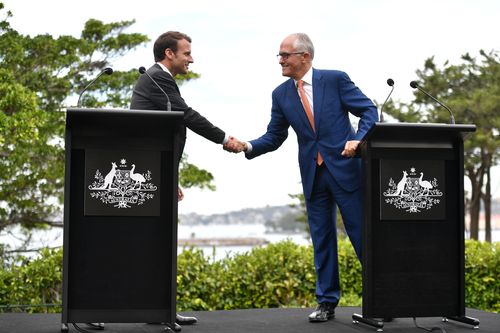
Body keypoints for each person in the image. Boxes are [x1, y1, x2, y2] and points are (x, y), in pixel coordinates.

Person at [224, 33, 378, 322]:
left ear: (304, 56)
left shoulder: (335, 80)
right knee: (321, 240)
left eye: (285, 55)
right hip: (313, 175)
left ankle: (383, 300)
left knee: (363, 237)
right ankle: (326, 303)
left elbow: (370, 110)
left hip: (347, 171)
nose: (280, 60)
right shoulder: (280, 94)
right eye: (279, 56)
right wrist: (248, 146)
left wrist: (358, 141)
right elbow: (275, 135)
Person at [130, 31, 239, 332]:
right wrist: (224, 138)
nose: (191, 58)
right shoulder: (156, 78)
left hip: (156, 172)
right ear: (169, 54)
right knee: (153, 243)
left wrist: (169, 176)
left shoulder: (158, 80)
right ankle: (155, 309)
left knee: (161, 243)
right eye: (187, 53)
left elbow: (165, 128)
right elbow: (186, 115)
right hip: (150, 174)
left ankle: (162, 309)